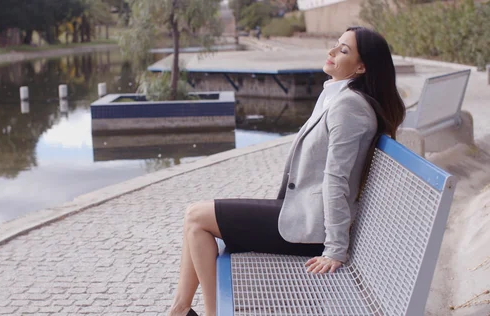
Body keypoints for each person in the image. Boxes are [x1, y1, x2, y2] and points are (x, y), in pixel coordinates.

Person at [168, 26, 406, 316]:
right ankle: (180, 310)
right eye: (335, 44)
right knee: (195, 216)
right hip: (299, 212)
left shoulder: (349, 107)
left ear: (361, 66)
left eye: (343, 50)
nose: (331, 52)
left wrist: (334, 249)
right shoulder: (337, 95)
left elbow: (337, 180)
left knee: (197, 218)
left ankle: (204, 313)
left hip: (309, 230)